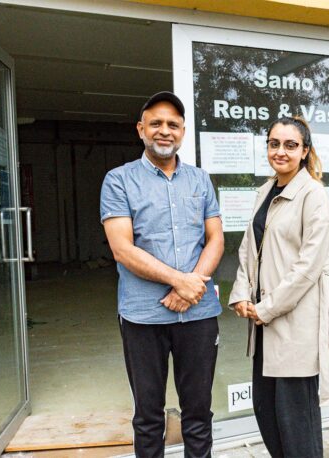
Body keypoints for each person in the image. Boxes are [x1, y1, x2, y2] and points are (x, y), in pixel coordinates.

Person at [100, 91, 224, 458]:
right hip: (143, 316)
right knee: (149, 416)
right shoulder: (119, 180)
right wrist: (178, 280)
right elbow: (122, 249)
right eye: (156, 123)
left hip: (199, 314)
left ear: (183, 131)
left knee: (199, 412)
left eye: (173, 124)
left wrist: (190, 286)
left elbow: (215, 239)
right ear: (141, 129)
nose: (164, 131)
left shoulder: (200, 180)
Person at [228, 116, 329, 457]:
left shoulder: (313, 195)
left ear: (305, 151)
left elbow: (308, 267)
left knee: (296, 425)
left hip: (295, 326)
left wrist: (265, 308)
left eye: (291, 145)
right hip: (263, 326)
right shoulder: (265, 191)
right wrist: (242, 295)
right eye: (274, 144)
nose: (281, 151)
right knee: (267, 413)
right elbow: (249, 249)